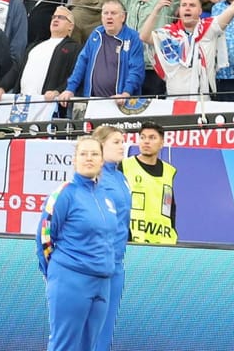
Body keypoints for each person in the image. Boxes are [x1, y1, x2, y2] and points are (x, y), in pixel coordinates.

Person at [38, 136, 123, 351]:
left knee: (89, 347)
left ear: (102, 160)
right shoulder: (64, 194)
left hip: (102, 282)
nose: (89, 158)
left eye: (94, 154)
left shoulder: (106, 197)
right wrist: (56, 274)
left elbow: (110, 239)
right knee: (64, 346)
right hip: (71, 279)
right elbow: (44, 237)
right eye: (83, 154)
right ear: (74, 160)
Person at [90, 127, 133, 351]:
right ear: (101, 145)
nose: (121, 146)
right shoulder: (95, 177)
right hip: (96, 265)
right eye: (116, 142)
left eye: (123, 141)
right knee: (88, 328)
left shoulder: (121, 177)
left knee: (105, 329)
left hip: (116, 265)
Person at [122, 121, 178, 246]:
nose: (146, 141)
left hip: (163, 243)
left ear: (162, 142)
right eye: (143, 137)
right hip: (132, 242)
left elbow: (170, 208)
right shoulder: (125, 166)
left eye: (152, 138)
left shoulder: (169, 171)